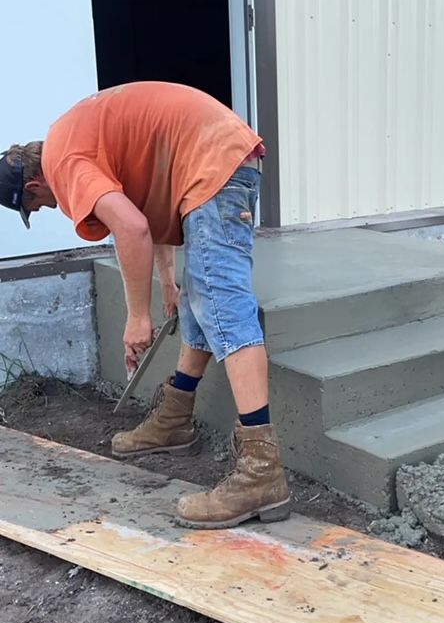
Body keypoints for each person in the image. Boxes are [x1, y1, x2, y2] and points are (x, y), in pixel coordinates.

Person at [0, 81, 291, 529]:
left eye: (36, 206)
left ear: (35, 184)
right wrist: (167, 285)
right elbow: (148, 208)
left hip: (214, 163)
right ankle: (174, 420)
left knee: (225, 308)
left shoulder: (66, 164)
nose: (45, 209)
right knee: (199, 299)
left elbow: (131, 228)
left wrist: (138, 316)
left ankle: (260, 473)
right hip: (212, 159)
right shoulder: (74, 139)